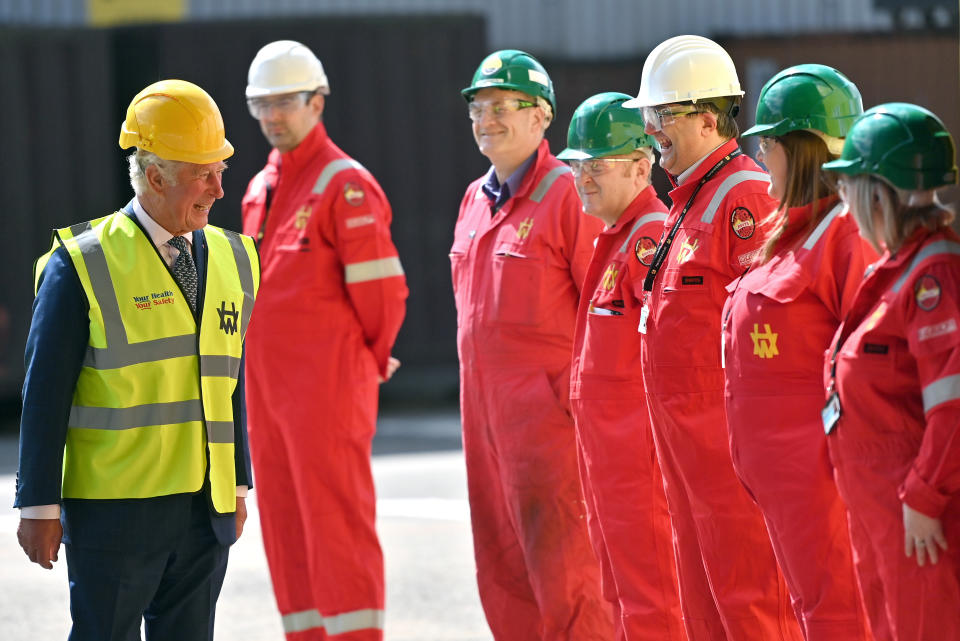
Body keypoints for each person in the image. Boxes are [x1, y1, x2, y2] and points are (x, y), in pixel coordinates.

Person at [15, 79, 257, 641]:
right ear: (155, 177)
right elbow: (45, 395)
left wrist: (239, 485)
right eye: (204, 173)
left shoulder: (235, 258)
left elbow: (230, 379)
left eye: (220, 169)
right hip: (115, 512)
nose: (220, 189)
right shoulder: (81, 264)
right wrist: (38, 506)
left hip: (205, 508)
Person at [622, 35, 802, 640]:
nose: (651, 131)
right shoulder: (686, 202)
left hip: (725, 447)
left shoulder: (742, 196)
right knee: (703, 603)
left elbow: (768, 329)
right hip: (685, 447)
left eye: (661, 116)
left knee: (751, 599)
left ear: (706, 117)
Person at [240, 40, 408, 641]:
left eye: (285, 101)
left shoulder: (345, 185)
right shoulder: (260, 188)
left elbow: (383, 296)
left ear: (317, 102)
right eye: (262, 103)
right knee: (285, 529)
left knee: (336, 525)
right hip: (268, 396)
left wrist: (360, 364)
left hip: (328, 390)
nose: (273, 115)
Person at [450, 50, 612, 640]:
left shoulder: (569, 193)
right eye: (477, 106)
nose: (484, 119)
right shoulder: (474, 200)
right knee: (501, 574)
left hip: (552, 432)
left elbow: (606, 311)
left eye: (500, 106)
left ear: (541, 116)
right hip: (486, 430)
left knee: (570, 581)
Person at [721, 64, 874, 640]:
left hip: (826, 487)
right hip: (786, 488)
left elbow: (873, 367)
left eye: (769, 146)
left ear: (803, 149)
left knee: (840, 616)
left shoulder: (844, 235)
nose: (762, 161)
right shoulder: (790, 234)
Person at [822, 102, 960, 641]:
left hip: (921, 521)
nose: (843, 203)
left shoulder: (934, 275)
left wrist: (925, 496)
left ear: (876, 191)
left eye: (848, 187)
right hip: (884, 514)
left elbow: (952, 402)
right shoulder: (898, 268)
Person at [558, 92, 683, 640]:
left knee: (656, 604)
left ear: (641, 165)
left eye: (597, 165)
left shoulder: (649, 240)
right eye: (577, 165)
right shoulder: (618, 239)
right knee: (627, 601)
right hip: (612, 471)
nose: (583, 178)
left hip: (642, 474)